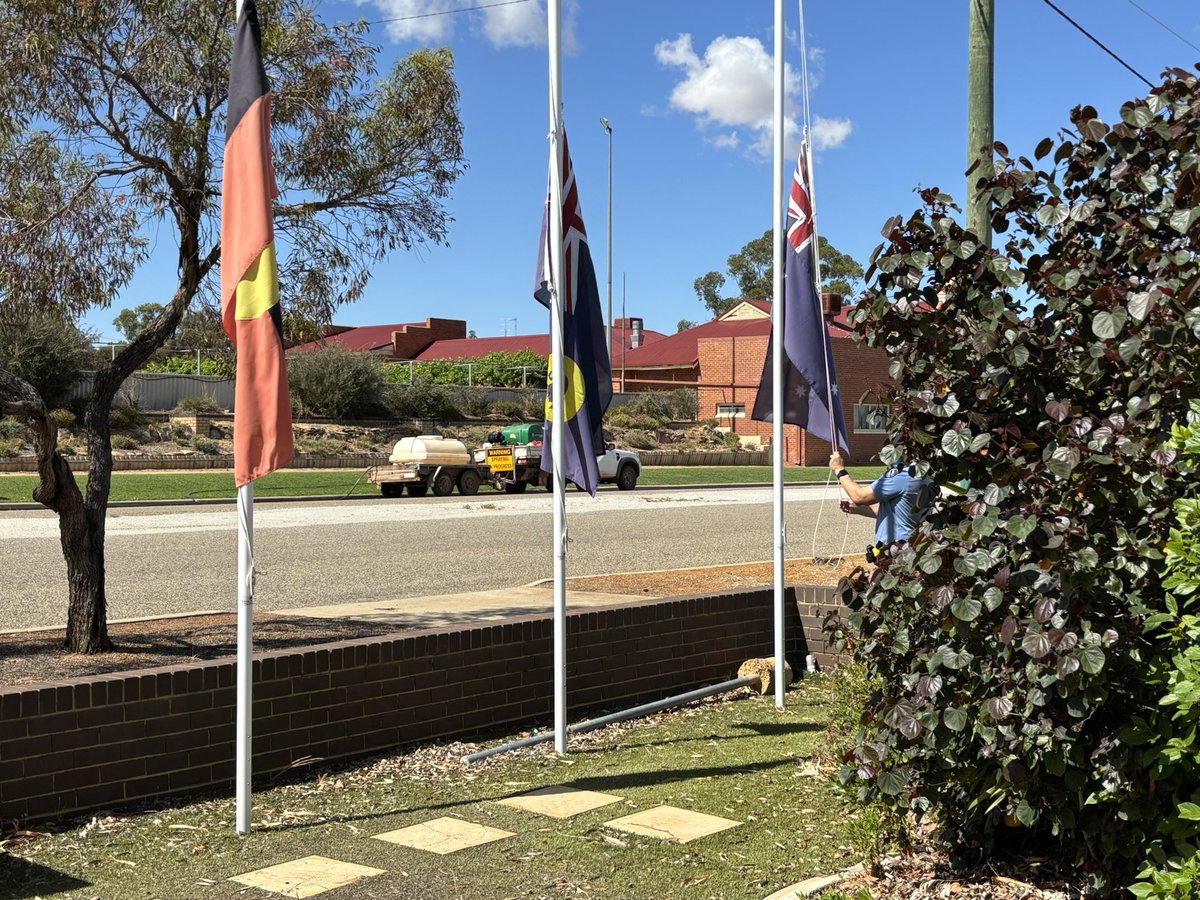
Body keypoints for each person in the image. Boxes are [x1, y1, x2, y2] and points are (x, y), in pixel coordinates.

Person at [830, 450, 933, 563]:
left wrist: (839, 469)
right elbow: (895, 512)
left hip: (899, 550)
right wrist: (858, 509)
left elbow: (859, 497)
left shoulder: (904, 475)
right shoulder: (924, 473)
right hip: (910, 547)